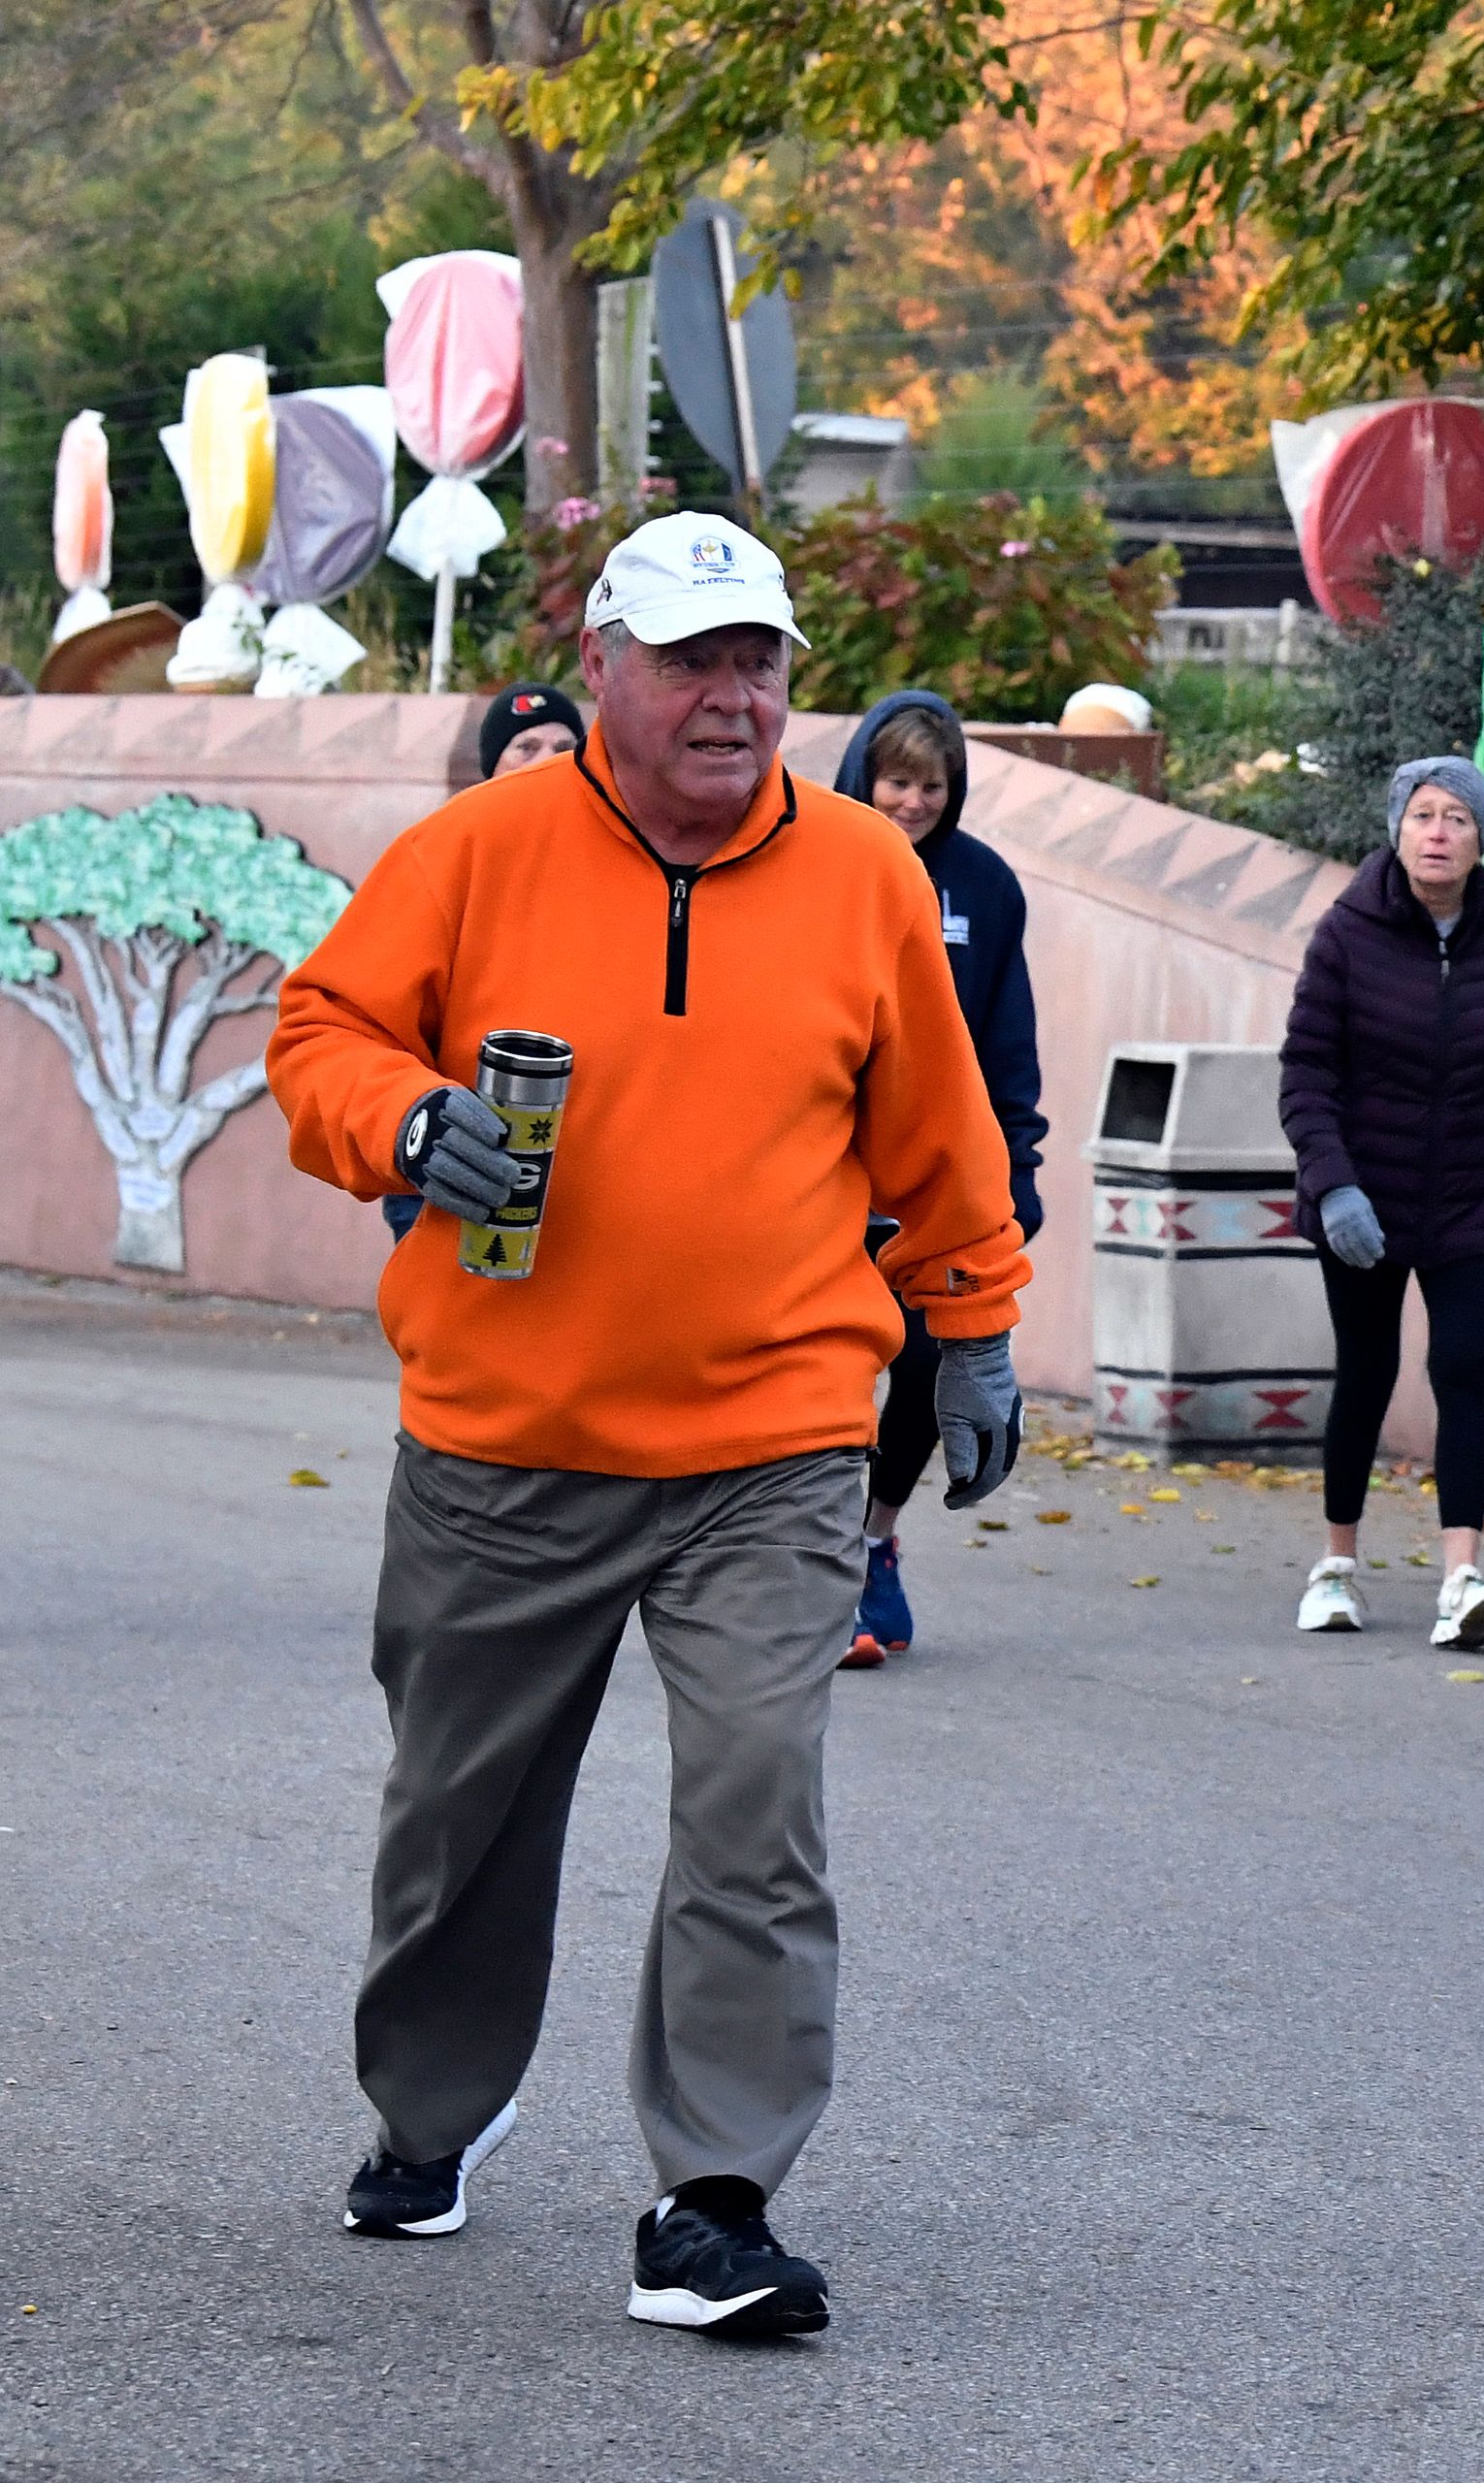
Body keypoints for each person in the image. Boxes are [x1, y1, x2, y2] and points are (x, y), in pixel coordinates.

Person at [266, 512, 1030, 2340]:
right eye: (691, 659)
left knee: (758, 1802)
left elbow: (939, 1132)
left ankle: (716, 2197)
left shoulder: (859, 877)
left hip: (770, 1443)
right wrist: (401, 1122)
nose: (731, 694)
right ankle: (430, 2113)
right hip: (504, 1440)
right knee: (463, 1816)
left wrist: (977, 1329)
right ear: (601, 666)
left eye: (758, 660)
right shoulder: (476, 850)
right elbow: (319, 1032)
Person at [1274, 755, 1484, 1649]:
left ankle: (1461, 1577)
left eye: (1459, 820)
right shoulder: (1347, 935)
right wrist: (1334, 1188)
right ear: (1397, 829)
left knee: (1458, 1369)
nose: (1439, 833)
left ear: (1483, 840)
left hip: (1473, 1200)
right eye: (1424, 816)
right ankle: (1336, 1565)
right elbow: (1305, 1077)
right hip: (1363, 1200)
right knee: (1365, 1373)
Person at [831, 690, 1046, 1665]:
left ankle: (874, 1538)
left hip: (934, 1198)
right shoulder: (815, 867)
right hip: (824, 1187)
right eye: (896, 782)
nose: (911, 802)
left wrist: (1016, 1176)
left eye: (931, 786)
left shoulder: (988, 889)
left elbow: (1006, 1046)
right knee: (827, 1376)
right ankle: (819, 1564)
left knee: (924, 1371)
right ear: (862, 779)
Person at [379, 684, 590, 1244]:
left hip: (574, 1176)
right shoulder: (443, 863)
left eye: (563, 746)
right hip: (451, 1165)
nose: (547, 762)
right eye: (525, 747)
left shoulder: (613, 871)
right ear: (490, 767)